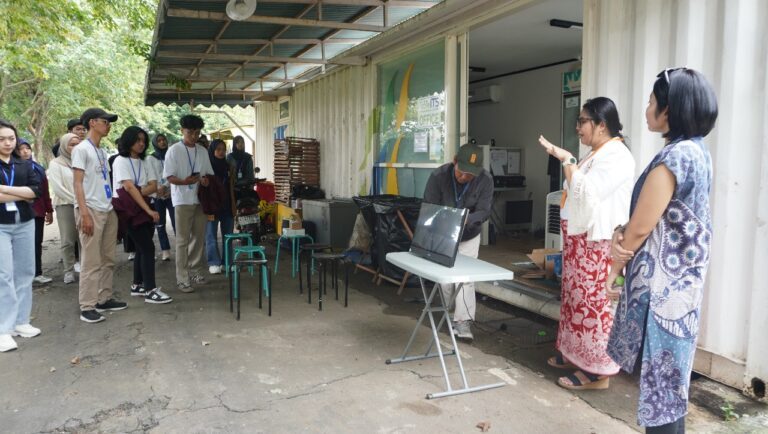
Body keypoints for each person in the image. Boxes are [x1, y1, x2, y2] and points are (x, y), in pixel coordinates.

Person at [606, 68, 718, 434]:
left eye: (652, 101)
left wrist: (615, 262)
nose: (647, 109)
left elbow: (641, 227)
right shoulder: (698, 152)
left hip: (662, 295)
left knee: (660, 389)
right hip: (681, 292)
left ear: (670, 109)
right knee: (669, 389)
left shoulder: (675, 157)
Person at [538, 97, 635, 390]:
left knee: (594, 306)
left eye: (582, 121)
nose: (578, 127)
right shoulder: (596, 153)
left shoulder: (617, 156)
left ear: (601, 125)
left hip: (598, 244)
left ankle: (597, 372)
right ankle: (576, 356)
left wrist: (567, 160)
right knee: (576, 302)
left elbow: (588, 193)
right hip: (581, 244)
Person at [422, 142, 493, 341]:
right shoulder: (438, 176)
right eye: (461, 172)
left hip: (469, 235)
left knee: (465, 278)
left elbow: (484, 211)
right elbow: (429, 206)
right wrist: (447, 220)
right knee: (446, 278)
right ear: (455, 161)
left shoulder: (485, 180)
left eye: (470, 175)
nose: (464, 177)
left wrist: (465, 219)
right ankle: (449, 312)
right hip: (443, 233)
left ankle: (463, 321)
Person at [72, 108, 127, 323]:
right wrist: (84, 213)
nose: (108, 125)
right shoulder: (81, 149)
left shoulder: (101, 151)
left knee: (108, 258)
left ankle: (104, 298)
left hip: (107, 208)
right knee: (91, 261)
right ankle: (87, 306)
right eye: (105, 121)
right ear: (92, 122)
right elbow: (77, 183)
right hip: (91, 209)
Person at [111, 126, 172, 304]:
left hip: (144, 205)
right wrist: (148, 208)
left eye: (143, 141)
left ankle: (137, 285)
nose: (141, 144)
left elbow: (153, 185)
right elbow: (128, 188)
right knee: (148, 248)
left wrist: (139, 192)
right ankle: (150, 290)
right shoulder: (120, 161)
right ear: (128, 140)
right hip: (129, 210)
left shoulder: (145, 161)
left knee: (141, 248)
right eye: (137, 140)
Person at [0, 119, 43, 352]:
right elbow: (27, 192)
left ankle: (21, 321)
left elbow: (35, 191)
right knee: (4, 275)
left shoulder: (23, 164)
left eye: (11, 138)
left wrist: (4, 189)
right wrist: (22, 193)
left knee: (25, 272)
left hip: (25, 222)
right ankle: (3, 329)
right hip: (1, 225)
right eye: (2, 139)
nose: (7, 143)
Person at [163, 114, 213, 292]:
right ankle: (182, 278)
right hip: (182, 200)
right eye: (190, 132)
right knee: (182, 240)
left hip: (200, 199)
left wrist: (204, 180)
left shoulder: (202, 151)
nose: (193, 136)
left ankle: (196, 270)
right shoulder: (174, 150)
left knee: (199, 238)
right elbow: (169, 177)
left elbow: (208, 174)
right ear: (182, 131)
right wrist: (184, 182)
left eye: (197, 133)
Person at [15, 139, 54, 284]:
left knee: (36, 242)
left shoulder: (38, 169)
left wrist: (49, 210)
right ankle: (21, 275)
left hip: (37, 212)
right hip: (19, 213)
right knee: (20, 245)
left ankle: (37, 273)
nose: (25, 151)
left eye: (27, 148)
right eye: (21, 149)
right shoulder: (12, 168)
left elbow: (45, 192)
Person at [48, 133, 82, 284]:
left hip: (85, 204)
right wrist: (78, 200)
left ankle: (85, 267)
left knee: (85, 238)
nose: (75, 147)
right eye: (71, 144)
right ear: (63, 145)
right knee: (68, 239)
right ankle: (68, 270)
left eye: (77, 144)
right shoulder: (56, 163)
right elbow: (58, 188)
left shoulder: (83, 161)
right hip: (65, 205)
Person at [205, 139, 235, 274]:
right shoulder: (207, 167)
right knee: (211, 235)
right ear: (212, 150)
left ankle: (227, 262)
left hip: (227, 205)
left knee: (228, 235)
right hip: (212, 205)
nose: (221, 152)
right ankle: (213, 262)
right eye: (218, 149)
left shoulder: (228, 166)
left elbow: (231, 186)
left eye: (223, 149)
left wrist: (233, 204)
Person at [146, 133, 174, 261]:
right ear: (155, 143)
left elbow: (174, 172)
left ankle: (182, 249)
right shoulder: (150, 158)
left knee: (177, 222)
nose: (162, 142)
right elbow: (150, 176)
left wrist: (166, 186)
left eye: (164, 140)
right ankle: (165, 250)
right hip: (157, 195)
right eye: (159, 140)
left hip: (171, 193)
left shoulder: (171, 155)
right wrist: (158, 189)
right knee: (160, 223)